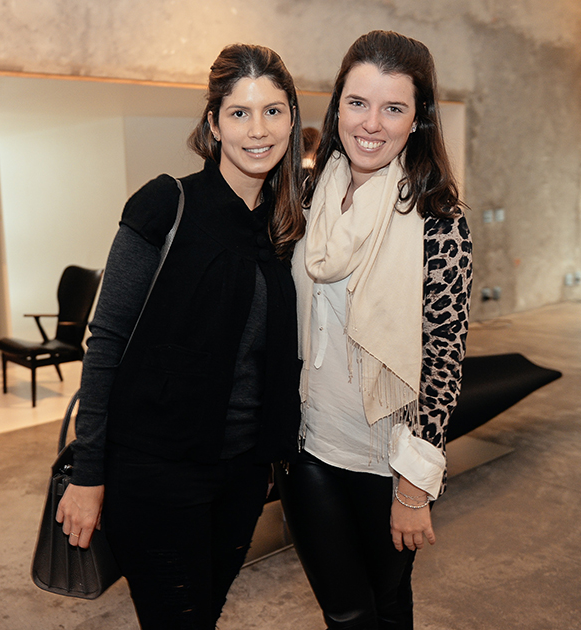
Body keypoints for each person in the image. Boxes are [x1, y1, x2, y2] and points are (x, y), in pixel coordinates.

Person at [56, 43, 305, 629]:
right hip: (155, 470)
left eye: (272, 111)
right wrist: (88, 474)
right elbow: (106, 343)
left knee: (205, 613)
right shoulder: (166, 202)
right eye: (239, 113)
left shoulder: (284, 225)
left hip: (244, 472)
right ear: (214, 124)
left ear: (292, 119)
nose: (258, 129)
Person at [275, 30, 473, 630]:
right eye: (358, 102)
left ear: (417, 119)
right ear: (337, 107)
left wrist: (413, 488)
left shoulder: (439, 220)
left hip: (387, 456)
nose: (371, 123)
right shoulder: (308, 196)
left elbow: (443, 357)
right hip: (308, 445)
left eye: (393, 108)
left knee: (388, 605)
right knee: (345, 611)